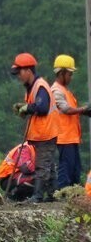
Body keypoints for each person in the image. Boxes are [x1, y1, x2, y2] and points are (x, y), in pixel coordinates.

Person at [11, 53, 59, 203]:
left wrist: (26, 108)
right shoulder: (31, 87)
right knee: (48, 165)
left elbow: (42, 107)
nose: (18, 76)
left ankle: (38, 196)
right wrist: (24, 108)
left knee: (42, 166)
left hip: (46, 133)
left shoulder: (40, 86)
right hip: (41, 133)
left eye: (19, 72)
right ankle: (52, 195)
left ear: (28, 71)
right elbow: (35, 107)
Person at [51, 54, 91, 189]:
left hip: (71, 137)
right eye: (69, 74)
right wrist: (84, 109)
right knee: (66, 168)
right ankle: (62, 193)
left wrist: (84, 111)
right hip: (64, 137)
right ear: (61, 73)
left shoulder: (64, 90)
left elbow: (72, 110)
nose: (71, 77)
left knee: (75, 169)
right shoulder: (56, 90)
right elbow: (66, 109)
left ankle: (72, 195)